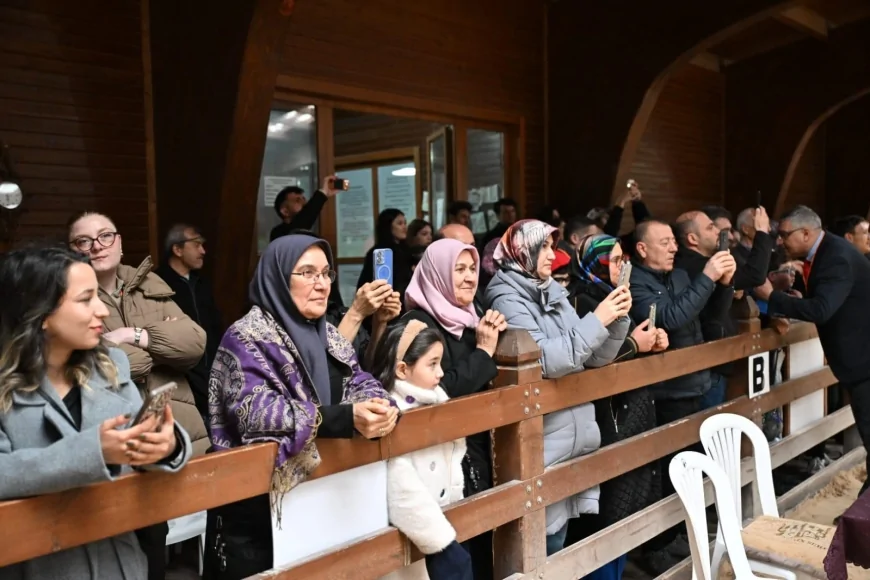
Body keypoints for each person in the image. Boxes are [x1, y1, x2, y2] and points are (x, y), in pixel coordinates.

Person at [205, 234, 399, 578]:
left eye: (326, 274)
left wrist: (381, 405)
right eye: (307, 273)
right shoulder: (245, 337)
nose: (321, 284)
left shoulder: (328, 335)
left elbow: (359, 379)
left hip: (320, 500)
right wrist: (341, 418)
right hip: (257, 512)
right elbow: (256, 411)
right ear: (278, 277)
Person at [0, 246, 192, 580]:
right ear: (41, 312)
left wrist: (165, 445)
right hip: (35, 565)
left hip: (121, 562)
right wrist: (93, 452)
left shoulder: (111, 365)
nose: (102, 310)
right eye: (86, 298)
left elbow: (136, 437)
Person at [68, 211, 209, 580]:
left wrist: (131, 335)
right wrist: (155, 345)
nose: (97, 246)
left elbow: (194, 343)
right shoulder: (64, 296)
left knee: (161, 544)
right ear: (72, 251)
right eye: (84, 241)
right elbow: (96, 364)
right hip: (114, 440)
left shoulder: (148, 283)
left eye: (105, 236)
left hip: (173, 433)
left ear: (119, 241)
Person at [484, 219, 631, 554]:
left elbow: (593, 357)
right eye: (545, 247)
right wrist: (599, 318)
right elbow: (548, 362)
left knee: (561, 545)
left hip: (569, 437)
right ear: (524, 251)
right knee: (542, 547)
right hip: (543, 441)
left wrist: (617, 318)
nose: (553, 255)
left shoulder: (550, 289)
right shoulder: (505, 298)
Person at [628, 219, 735, 574]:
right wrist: (707, 276)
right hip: (663, 391)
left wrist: (723, 285)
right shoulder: (634, 282)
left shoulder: (678, 276)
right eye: (665, 242)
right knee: (663, 472)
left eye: (674, 241)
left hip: (694, 381)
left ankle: (679, 536)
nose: (674, 248)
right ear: (642, 249)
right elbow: (671, 318)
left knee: (690, 465)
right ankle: (656, 547)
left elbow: (705, 318)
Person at [562, 234, 667, 579]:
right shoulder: (581, 300)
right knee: (604, 512)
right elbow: (590, 362)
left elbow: (626, 341)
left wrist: (649, 340)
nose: (622, 267)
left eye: (624, 260)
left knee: (623, 505)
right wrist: (636, 344)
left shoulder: (617, 297)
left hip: (626, 412)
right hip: (601, 418)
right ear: (596, 262)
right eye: (615, 260)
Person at [403, 238, 505, 578]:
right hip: (437, 461)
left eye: (473, 268)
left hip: (470, 453)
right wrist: (484, 354)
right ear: (436, 274)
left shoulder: (468, 317)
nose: (468, 277)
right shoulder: (417, 324)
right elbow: (437, 389)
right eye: (458, 269)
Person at [754, 205, 870, 496]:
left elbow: (822, 309)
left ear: (806, 233)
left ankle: (861, 519)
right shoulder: (828, 250)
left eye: (784, 235)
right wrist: (798, 296)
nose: (780, 241)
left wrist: (773, 297)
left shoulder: (837, 257)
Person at [371, 321, 472, 580]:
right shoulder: (387, 412)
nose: (441, 373)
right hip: (416, 534)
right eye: (432, 364)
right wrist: (441, 542)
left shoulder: (437, 399)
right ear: (403, 369)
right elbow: (401, 487)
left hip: (442, 523)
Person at [673, 211, 744, 409]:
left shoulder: (706, 262)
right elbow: (714, 314)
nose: (717, 231)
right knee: (709, 428)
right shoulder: (694, 267)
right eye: (710, 227)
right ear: (692, 238)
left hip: (713, 360)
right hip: (707, 360)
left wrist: (727, 283)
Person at [156, 223, 223, 418]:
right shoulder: (158, 283)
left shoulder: (202, 283)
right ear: (177, 249)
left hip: (212, 373)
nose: (203, 251)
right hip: (182, 380)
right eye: (196, 245)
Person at [357, 209, 414, 305]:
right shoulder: (379, 252)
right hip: (386, 303)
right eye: (400, 223)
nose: (404, 227)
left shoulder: (406, 251)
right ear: (388, 226)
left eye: (405, 223)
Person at [269, 176, 344, 241]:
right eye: (298, 200)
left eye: (304, 199)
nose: (304, 203)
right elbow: (301, 223)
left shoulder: (309, 233)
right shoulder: (278, 234)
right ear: (285, 211)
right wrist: (323, 192)